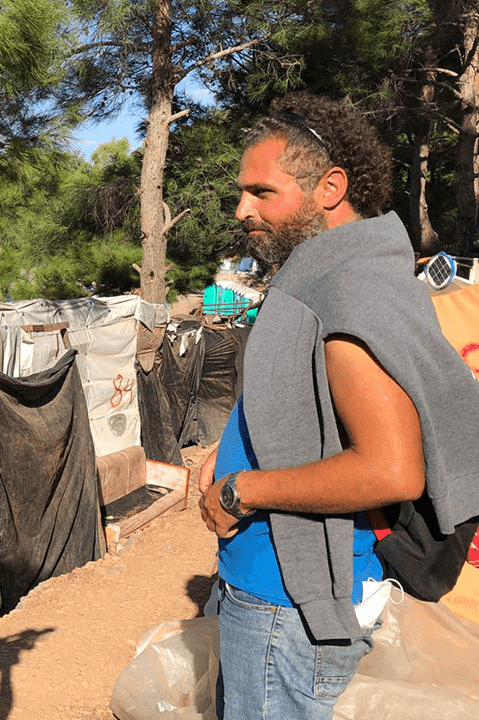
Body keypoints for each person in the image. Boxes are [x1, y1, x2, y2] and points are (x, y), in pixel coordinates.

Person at [197, 93, 479, 720]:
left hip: (288, 604)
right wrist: (228, 447)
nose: (243, 210)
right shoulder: (329, 275)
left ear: (330, 187)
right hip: (276, 584)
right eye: (242, 194)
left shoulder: (344, 293)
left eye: (262, 192)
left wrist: (243, 489)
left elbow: (390, 470)